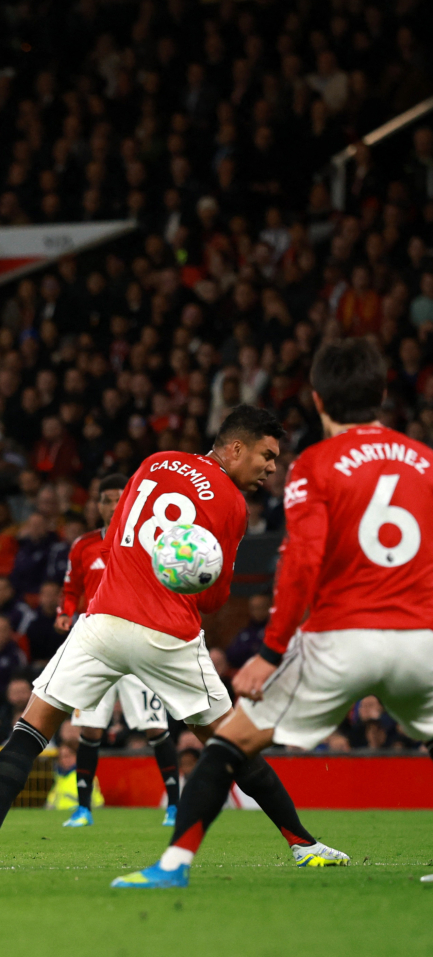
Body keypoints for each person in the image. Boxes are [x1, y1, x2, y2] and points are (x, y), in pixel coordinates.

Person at [0, 406, 348, 872]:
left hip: (104, 622)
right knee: (235, 743)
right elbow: (214, 600)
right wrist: (189, 577)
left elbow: (113, 545)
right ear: (236, 449)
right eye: (266, 456)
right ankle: (304, 845)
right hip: (169, 634)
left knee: (30, 731)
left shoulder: (154, 462)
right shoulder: (231, 504)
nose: (272, 468)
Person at [119, 340, 431, 887]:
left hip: (343, 639)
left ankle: (172, 867)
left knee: (228, 745)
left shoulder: (314, 465)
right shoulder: (426, 462)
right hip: (421, 638)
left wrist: (269, 651)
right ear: (382, 395)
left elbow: (302, 564)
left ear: (317, 399)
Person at [53, 473, 180, 830]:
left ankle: (174, 806)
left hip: (138, 642)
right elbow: (70, 589)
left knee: (155, 726)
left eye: (119, 498)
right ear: (97, 504)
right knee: (89, 727)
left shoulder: (150, 541)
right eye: (106, 499)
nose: (112, 505)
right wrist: (65, 614)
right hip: (93, 645)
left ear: (131, 502)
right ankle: (83, 809)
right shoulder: (83, 546)